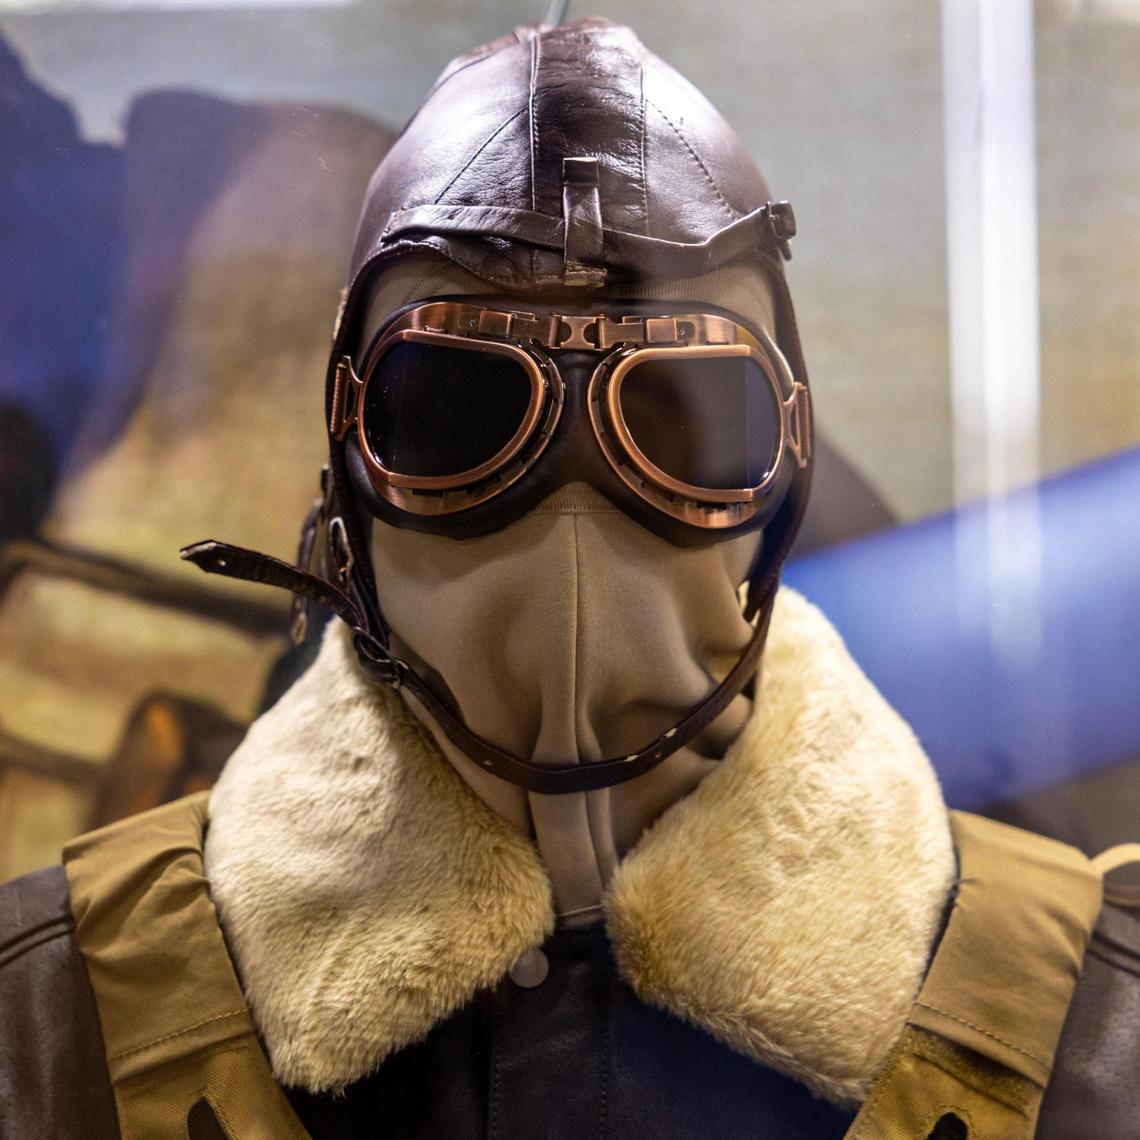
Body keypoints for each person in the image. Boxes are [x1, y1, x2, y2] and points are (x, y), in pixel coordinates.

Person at [2, 18, 1136, 1139]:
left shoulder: (1083, 1020)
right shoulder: (47, 1020)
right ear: (347, 476)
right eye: (462, 409)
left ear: (785, 475)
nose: (572, 497)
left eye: (674, 418)